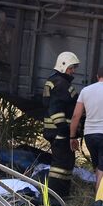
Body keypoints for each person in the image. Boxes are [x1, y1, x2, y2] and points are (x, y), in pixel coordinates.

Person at [42, 51, 80, 198]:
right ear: (63, 66)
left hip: (59, 131)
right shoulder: (60, 84)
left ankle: (62, 195)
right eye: (71, 68)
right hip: (60, 132)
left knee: (66, 163)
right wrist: (64, 131)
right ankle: (53, 197)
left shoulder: (57, 81)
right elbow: (56, 109)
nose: (73, 71)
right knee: (60, 165)